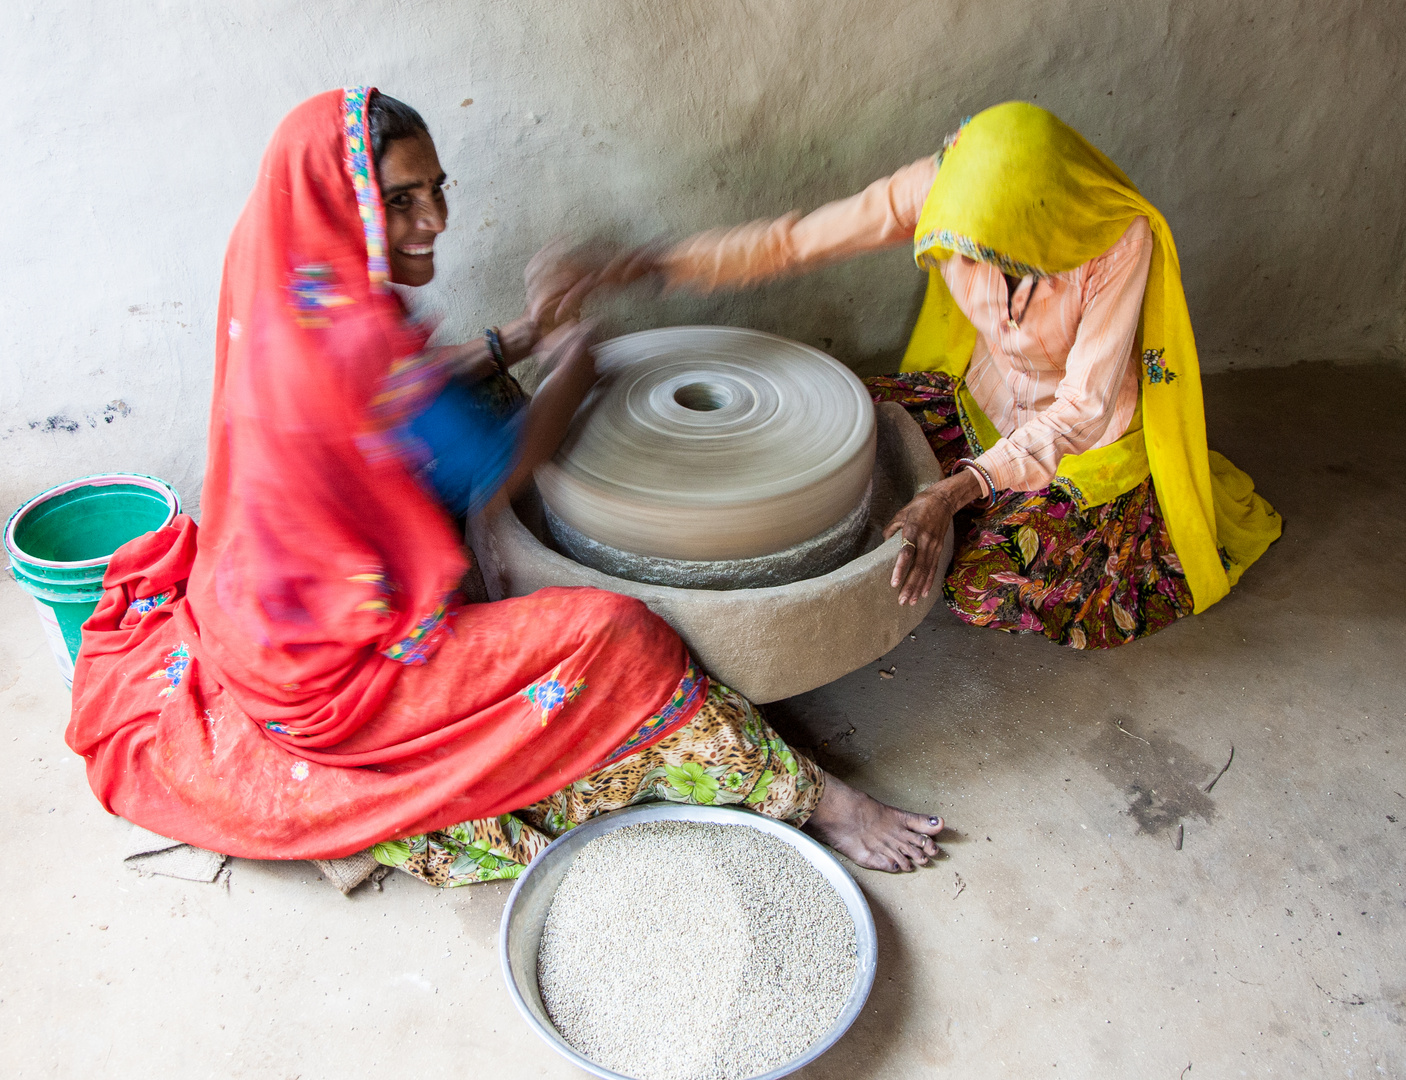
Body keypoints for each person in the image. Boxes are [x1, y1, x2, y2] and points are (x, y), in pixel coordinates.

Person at [65, 87, 946, 882]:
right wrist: (573, 360)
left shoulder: (291, 275)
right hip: (334, 680)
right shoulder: (358, 342)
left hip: (260, 598)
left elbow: (407, 391)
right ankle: (816, 798)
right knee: (622, 638)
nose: (434, 220)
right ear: (344, 204)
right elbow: (504, 462)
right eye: (400, 202)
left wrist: (521, 335)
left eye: (437, 188)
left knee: (479, 389)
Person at [558, 102, 1281, 650]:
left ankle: (994, 501)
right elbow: (794, 242)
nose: (988, 279)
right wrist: (653, 265)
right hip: (987, 402)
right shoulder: (946, 187)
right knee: (850, 429)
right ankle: (956, 489)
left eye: (1010, 264)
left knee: (984, 579)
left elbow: (1084, 409)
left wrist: (955, 489)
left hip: (1077, 440)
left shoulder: (1115, 241)